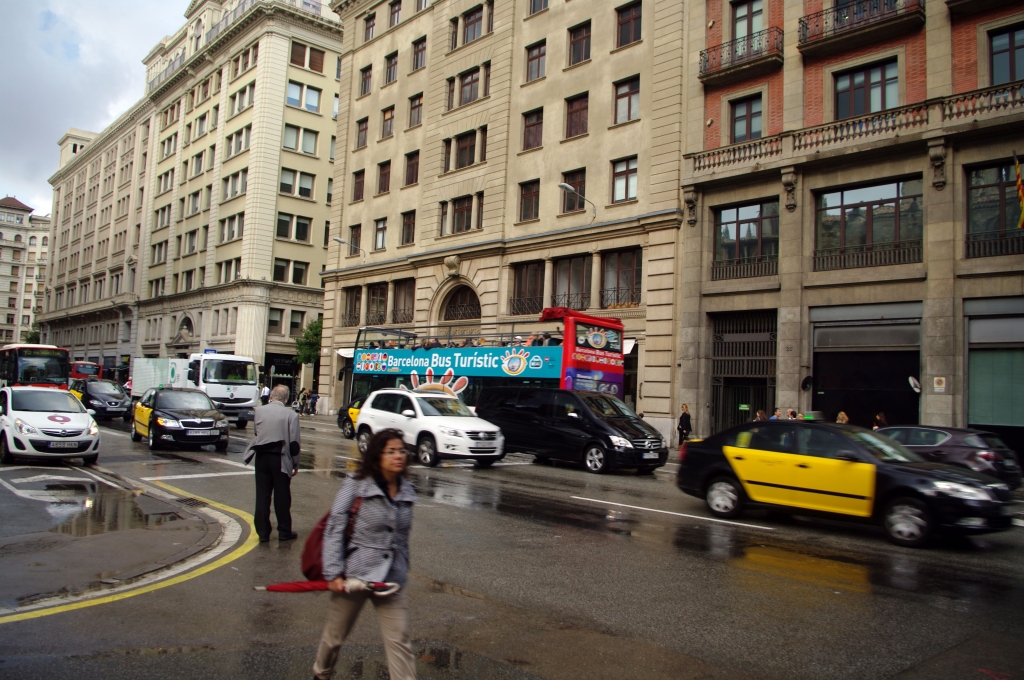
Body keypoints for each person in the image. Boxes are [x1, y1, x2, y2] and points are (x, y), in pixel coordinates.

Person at [314, 429, 417, 680]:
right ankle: (321, 673)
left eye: (401, 451)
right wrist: (334, 573)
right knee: (334, 637)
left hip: (391, 578)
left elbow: (401, 538)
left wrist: (402, 567)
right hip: (355, 573)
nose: (398, 456)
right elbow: (336, 525)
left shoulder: (407, 490)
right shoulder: (357, 484)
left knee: (399, 640)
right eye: (391, 451)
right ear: (377, 456)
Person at [244, 385, 301, 543]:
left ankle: (263, 533)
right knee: (282, 496)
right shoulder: (291, 415)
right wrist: (295, 464)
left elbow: (257, 432)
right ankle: (284, 531)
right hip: (280, 458)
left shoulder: (259, 412)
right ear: (286, 399)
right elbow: (294, 444)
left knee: (262, 495)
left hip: (262, 457)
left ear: (271, 396)